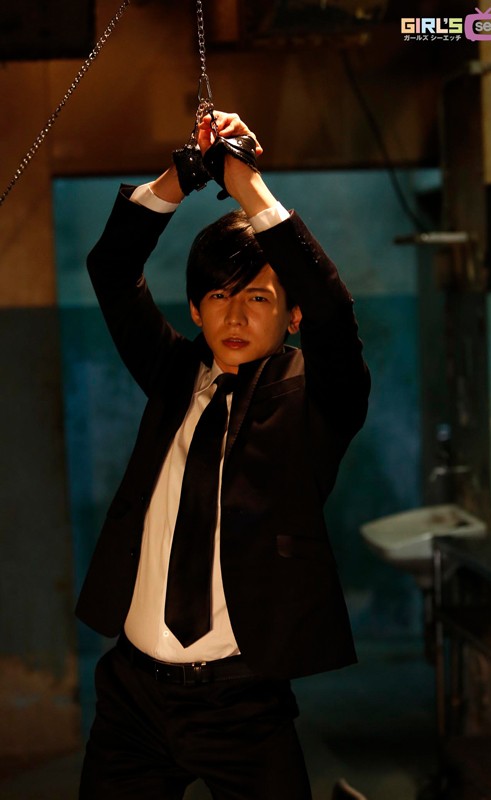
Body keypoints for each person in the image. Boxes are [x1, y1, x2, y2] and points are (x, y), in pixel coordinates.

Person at [76, 110, 370, 800]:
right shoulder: (174, 374)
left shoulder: (317, 399)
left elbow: (334, 318)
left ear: (291, 313)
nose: (234, 317)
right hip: (133, 697)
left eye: (258, 298)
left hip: (241, 700)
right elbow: (111, 270)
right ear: (196, 309)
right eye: (218, 296)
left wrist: (246, 185)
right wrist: (180, 178)